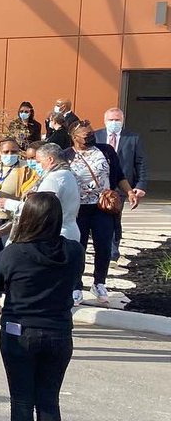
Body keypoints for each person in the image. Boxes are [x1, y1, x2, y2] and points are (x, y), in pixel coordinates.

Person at [0, 192, 84, 421]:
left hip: (20, 330)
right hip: (58, 331)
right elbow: (74, 280)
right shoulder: (73, 251)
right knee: (48, 400)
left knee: (22, 399)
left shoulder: (13, 252)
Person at [66, 120, 139, 305]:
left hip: (102, 206)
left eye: (92, 134)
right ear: (74, 137)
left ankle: (99, 282)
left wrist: (129, 191)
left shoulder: (105, 151)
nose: (90, 137)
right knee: (78, 247)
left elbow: (119, 174)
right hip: (78, 209)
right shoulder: (66, 155)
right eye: (86, 135)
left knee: (104, 245)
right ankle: (76, 286)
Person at [0, 139, 38, 316]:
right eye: (5, 152)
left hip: (12, 221)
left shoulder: (26, 169)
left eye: (13, 151)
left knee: (13, 262)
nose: (9, 155)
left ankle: (14, 301)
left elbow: (30, 194)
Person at [94, 108, 147, 260]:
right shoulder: (96, 136)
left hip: (122, 186)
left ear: (122, 121)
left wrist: (140, 185)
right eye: (111, 120)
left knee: (114, 217)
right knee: (98, 218)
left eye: (117, 120)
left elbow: (140, 163)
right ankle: (100, 248)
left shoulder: (133, 138)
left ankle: (112, 252)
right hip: (99, 185)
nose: (114, 123)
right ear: (105, 121)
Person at [0, 143, 81, 242]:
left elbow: (39, 208)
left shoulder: (53, 178)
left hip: (56, 234)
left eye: (38, 161)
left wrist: (9, 204)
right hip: (69, 230)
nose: (36, 165)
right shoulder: (68, 174)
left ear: (50, 159)